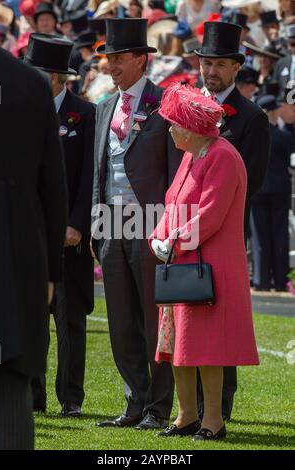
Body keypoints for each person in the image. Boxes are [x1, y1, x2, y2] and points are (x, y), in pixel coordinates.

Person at [149, 83, 259, 441]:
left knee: (208, 348)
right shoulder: (192, 155)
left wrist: (173, 243)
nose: (169, 129)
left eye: (174, 123)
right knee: (179, 345)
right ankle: (186, 416)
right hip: (184, 265)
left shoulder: (223, 156)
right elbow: (172, 204)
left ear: (192, 128)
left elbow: (210, 215)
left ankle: (214, 420)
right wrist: (159, 238)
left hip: (208, 268)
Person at [91, 18, 183, 430]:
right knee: (122, 320)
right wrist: (96, 224)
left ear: (142, 61)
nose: (111, 66)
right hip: (111, 222)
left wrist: (172, 228)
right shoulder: (104, 107)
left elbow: (176, 173)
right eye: (109, 59)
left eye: (120, 58)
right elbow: (96, 173)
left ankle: (159, 406)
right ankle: (134, 402)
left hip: (152, 223)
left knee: (153, 319)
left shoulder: (165, 103)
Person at [194, 20, 270, 421]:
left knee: (219, 319)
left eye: (220, 64)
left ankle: (219, 407)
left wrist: (211, 210)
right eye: (207, 62)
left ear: (236, 68)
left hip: (224, 233)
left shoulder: (252, 117)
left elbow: (251, 182)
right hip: (186, 232)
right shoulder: (186, 105)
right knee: (189, 317)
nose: (211, 70)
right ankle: (191, 409)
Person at [0, 42, 67, 449]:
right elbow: (52, 189)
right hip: (13, 264)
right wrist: (50, 272)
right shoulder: (30, 83)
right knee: (9, 401)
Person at [25, 33, 95, 417]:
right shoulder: (19, 111)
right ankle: (33, 397)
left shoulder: (84, 114)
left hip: (68, 238)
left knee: (70, 323)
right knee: (33, 320)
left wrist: (77, 224)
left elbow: (89, 177)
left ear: (57, 78)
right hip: (30, 236)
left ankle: (70, 399)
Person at [251, 94, 294, 292]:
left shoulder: (254, 136)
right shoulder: (284, 136)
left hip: (259, 190)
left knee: (260, 236)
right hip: (280, 189)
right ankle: (280, 279)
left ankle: (261, 279)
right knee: (279, 235)